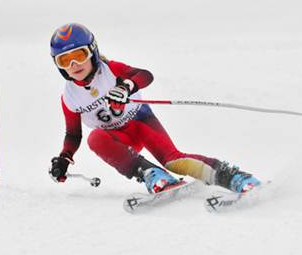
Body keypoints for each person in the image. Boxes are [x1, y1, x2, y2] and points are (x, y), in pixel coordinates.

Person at [48, 23, 261, 194]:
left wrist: (125, 87)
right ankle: (152, 174)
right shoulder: (70, 97)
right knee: (95, 138)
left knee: (175, 161)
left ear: (93, 52)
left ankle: (235, 177)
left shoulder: (110, 70)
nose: (74, 64)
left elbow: (145, 75)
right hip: (118, 140)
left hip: (141, 123)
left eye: (80, 55)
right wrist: (65, 158)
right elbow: (73, 134)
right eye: (65, 60)